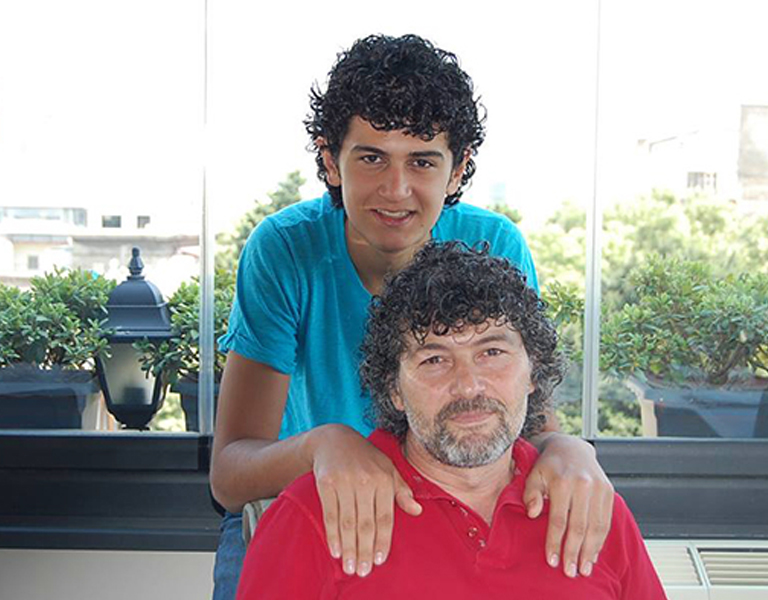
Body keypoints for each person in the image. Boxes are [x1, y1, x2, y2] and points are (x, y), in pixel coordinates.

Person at [211, 34, 614, 597]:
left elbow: (523, 421)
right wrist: (324, 445)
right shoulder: (285, 250)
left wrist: (567, 447)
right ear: (330, 161)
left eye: (422, 161)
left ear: (458, 168)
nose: (396, 189)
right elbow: (230, 476)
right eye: (371, 157)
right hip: (306, 496)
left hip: (447, 495)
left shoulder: (495, 245)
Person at [236, 241, 667, 599]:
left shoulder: (588, 505)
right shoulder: (312, 515)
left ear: (533, 372)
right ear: (393, 389)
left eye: (492, 352)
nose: (468, 386)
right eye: (435, 360)